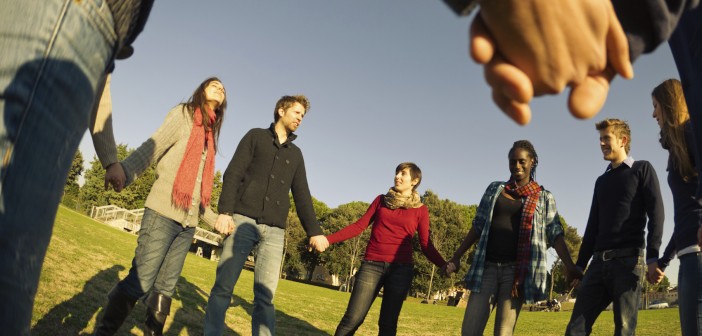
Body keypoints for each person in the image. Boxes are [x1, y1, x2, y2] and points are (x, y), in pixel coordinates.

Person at [0, 1, 153, 334]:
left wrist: (112, 159)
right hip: (71, 16)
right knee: (11, 255)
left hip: (95, 32)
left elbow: (102, 90)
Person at [93, 77, 227, 335]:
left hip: (187, 226)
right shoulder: (184, 115)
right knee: (140, 282)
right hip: (162, 214)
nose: (220, 88)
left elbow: (198, 195)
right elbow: (153, 147)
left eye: (223, 88)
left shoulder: (209, 136)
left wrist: (218, 221)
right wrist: (124, 170)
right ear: (201, 90)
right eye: (214, 85)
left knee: (165, 290)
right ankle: (104, 332)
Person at [203, 95, 328, 336]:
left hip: (274, 232)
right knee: (223, 288)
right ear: (281, 110)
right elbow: (233, 174)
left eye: (303, 115)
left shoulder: (296, 154)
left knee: (265, 297)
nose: (300, 118)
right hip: (241, 222)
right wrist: (225, 212)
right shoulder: (255, 137)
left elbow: (302, 195)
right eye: (297, 112)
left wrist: (315, 231)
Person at [444, 140, 578, 336]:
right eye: (512, 161)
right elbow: (477, 225)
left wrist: (569, 266)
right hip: (486, 269)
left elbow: (555, 234)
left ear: (532, 162)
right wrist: (456, 256)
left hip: (516, 275)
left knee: (503, 332)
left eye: (522, 161)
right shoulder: (494, 189)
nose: (517, 166)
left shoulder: (544, 197)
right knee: (469, 331)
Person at [318, 162, 447, 336]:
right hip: (371, 265)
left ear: (414, 181)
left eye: (403, 174)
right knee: (352, 319)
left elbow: (426, 245)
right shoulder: (381, 200)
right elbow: (358, 226)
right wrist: (328, 240)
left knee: (387, 325)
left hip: (401, 270)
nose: (397, 177)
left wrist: (444, 265)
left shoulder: (421, 210)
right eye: (396, 173)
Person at [565, 118, 665, 335]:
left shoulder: (642, 169)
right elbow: (592, 227)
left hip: (629, 263)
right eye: (600, 139)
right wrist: (580, 266)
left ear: (623, 140)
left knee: (624, 329)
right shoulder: (601, 181)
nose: (601, 143)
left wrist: (653, 257)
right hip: (598, 265)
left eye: (606, 138)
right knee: (575, 329)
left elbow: (657, 214)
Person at [650, 79, 702, 336]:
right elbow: (683, 215)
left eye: (656, 106)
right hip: (687, 258)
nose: (653, 113)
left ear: (669, 105)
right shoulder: (676, 150)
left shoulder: (693, 131)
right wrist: (664, 260)